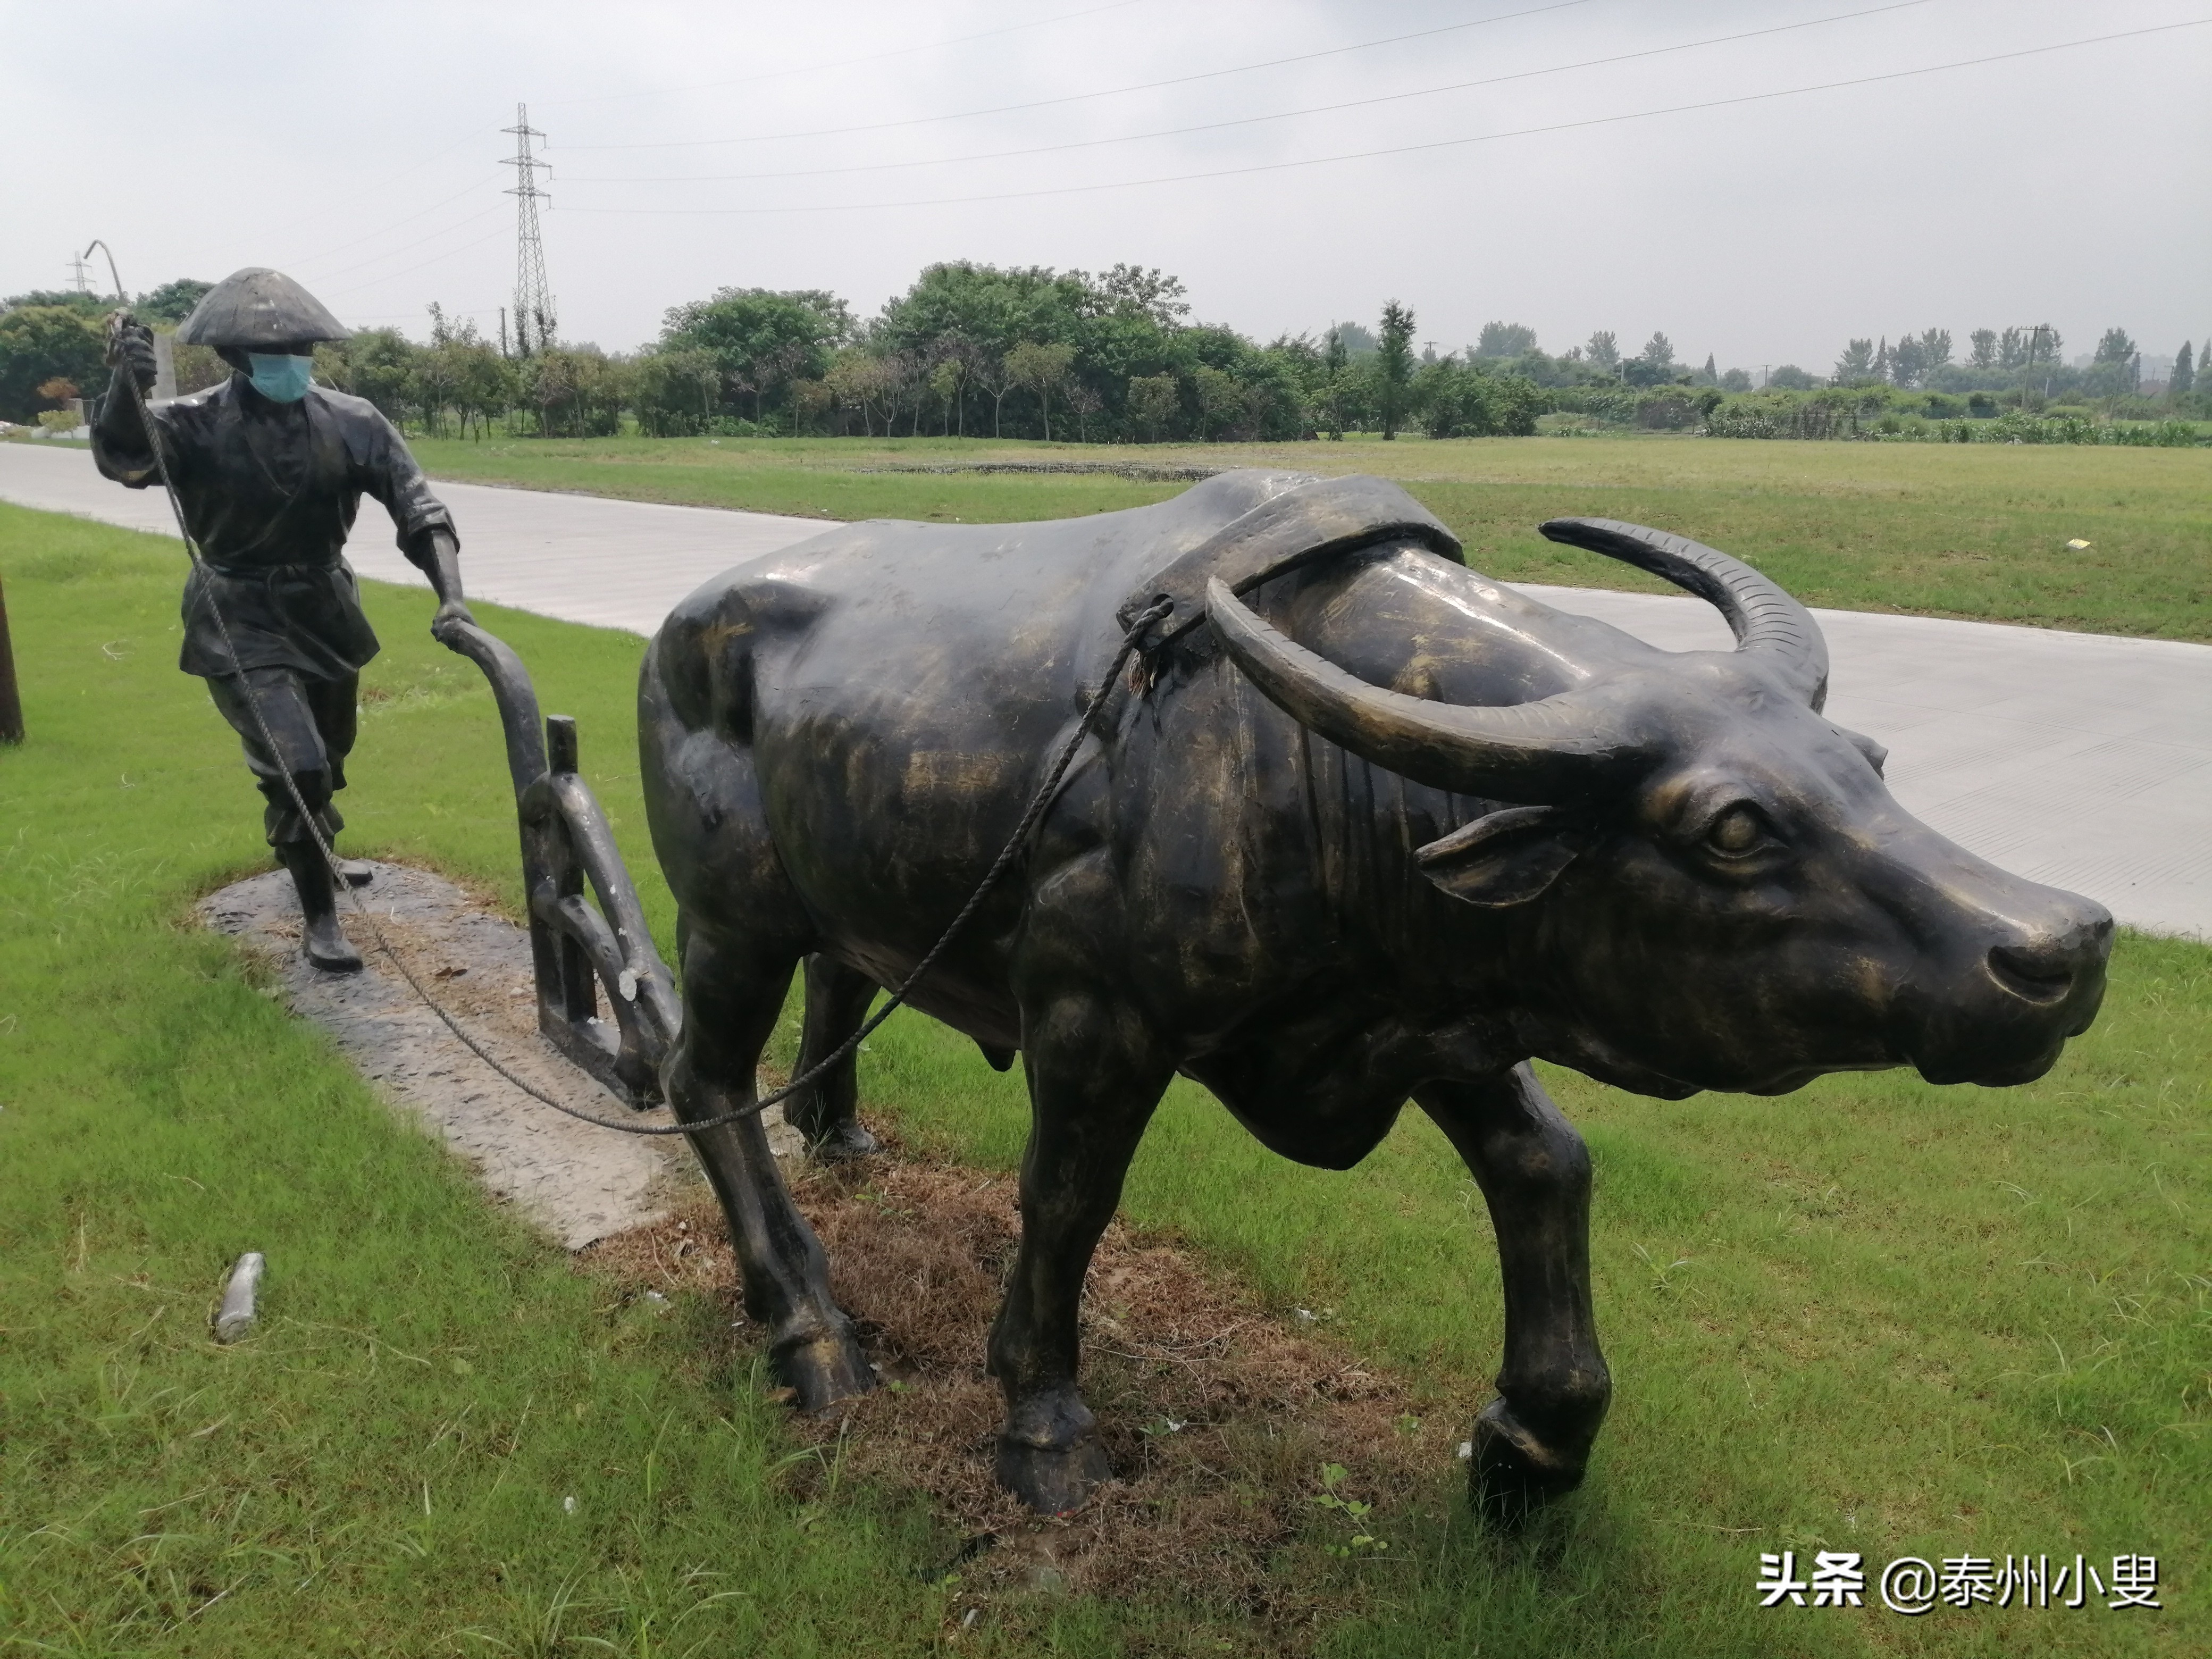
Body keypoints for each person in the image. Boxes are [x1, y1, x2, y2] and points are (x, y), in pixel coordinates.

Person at [94, 267, 474, 971]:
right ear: (235, 359)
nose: (290, 363)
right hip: (237, 613)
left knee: (330, 755)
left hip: (324, 609)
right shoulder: (193, 422)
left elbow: (418, 507)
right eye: (273, 353)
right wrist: (128, 383)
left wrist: (451, 595)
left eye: (301, 349)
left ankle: (321, 849)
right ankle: (321, 922)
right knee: (295, 767)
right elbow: (126, 458)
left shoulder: (354, 421)